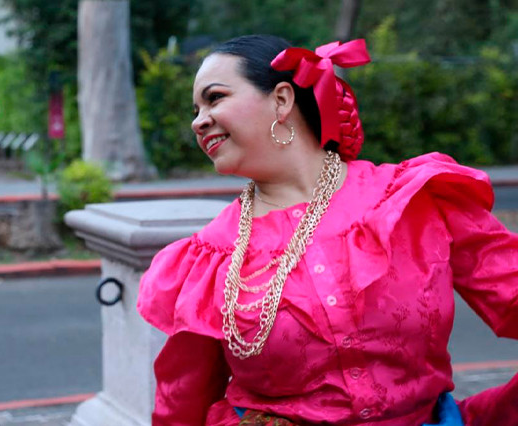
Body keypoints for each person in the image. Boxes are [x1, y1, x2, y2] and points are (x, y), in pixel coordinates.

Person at [137, 35, 518, 425]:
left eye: (214, 98)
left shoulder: (412, 201)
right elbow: (182, 400)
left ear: (282, 100)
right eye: (196, 108)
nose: (198, 120)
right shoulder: (210, 257)